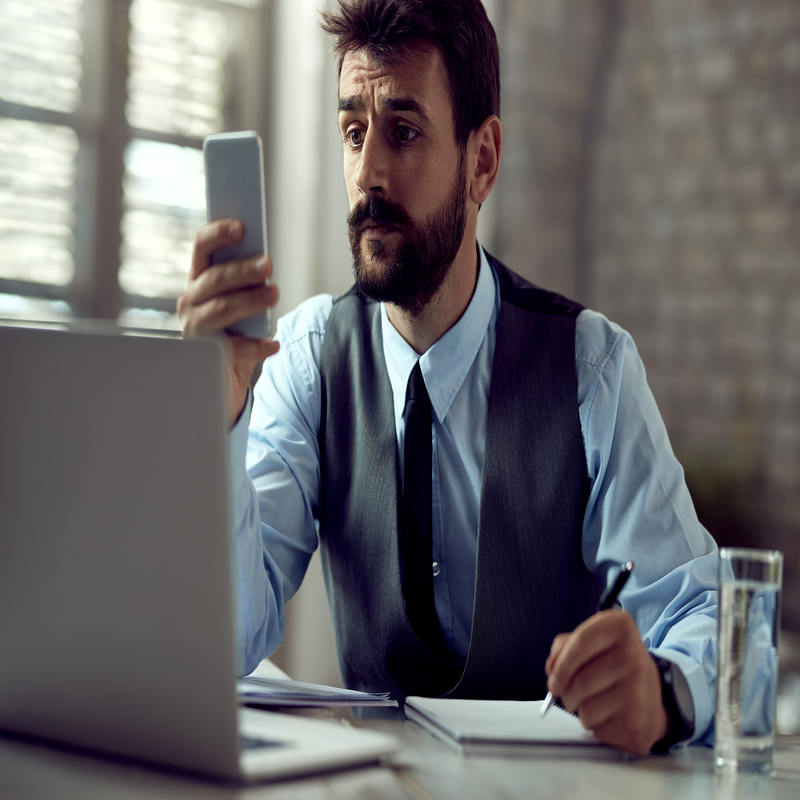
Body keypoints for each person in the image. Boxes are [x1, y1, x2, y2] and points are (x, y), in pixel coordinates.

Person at [178, 0, 718, 756]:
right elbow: (222, 642)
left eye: (403, 131)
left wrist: (662, 691)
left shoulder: (591, 366)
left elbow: (701, 611)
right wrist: (219, 421)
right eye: (354, 131)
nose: (367, 171)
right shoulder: (303, 358)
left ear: (483, 160)